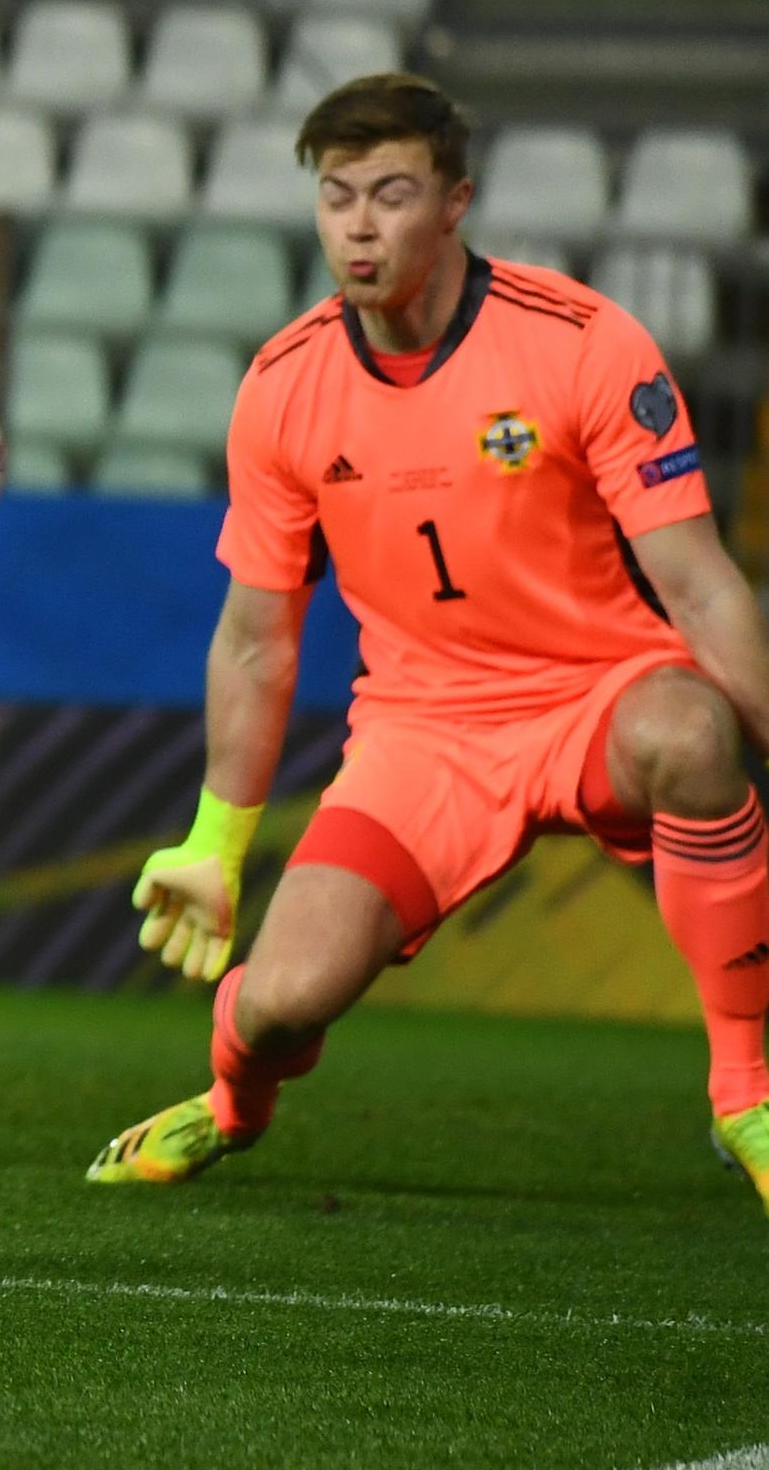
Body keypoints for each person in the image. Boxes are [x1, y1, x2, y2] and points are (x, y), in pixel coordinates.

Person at [90, 73, 769, 1214]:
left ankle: (744, 1092)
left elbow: (697, 582)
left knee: (689, 733)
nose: (358, 225)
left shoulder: (583, 343)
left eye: (390, 194)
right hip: (424, 739)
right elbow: (257, 641)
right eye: (337, 196)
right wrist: (214, 840)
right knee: (282, 1000)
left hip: (594, 698)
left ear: (454, 202)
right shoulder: (282, 387)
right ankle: (226, 1108)